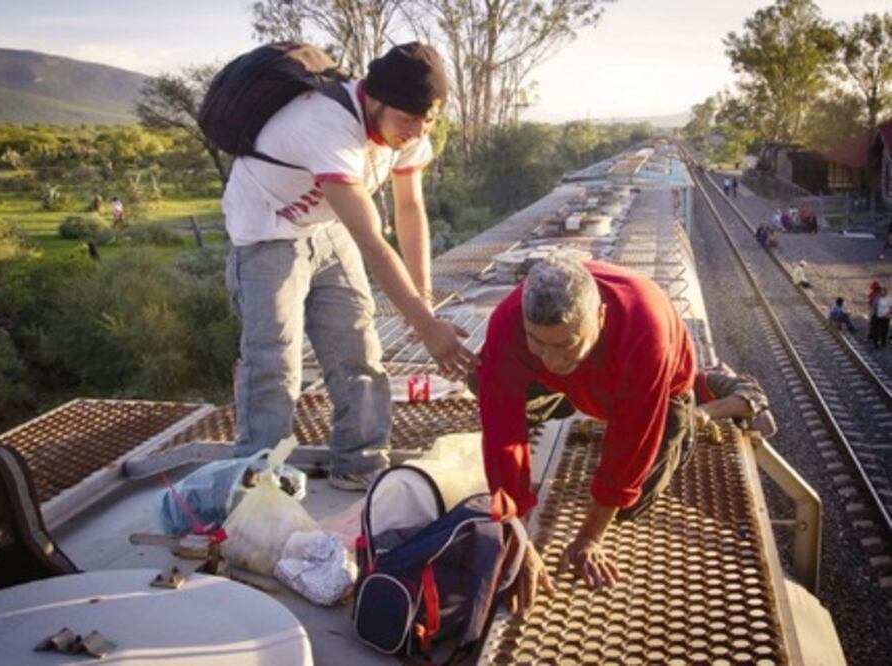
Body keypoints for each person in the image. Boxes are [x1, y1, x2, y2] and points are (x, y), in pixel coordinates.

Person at [221, 42, 474, 491]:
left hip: (326, 228)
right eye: (408, 119)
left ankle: (360, 464)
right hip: (266, 231)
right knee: (274, 360)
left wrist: (424, 305)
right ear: (373, 98)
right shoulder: (324, 122)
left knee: (358, 344)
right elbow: (374, 242)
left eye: (428, 120)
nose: (417, 131)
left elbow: (410, 210)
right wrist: (427, 326)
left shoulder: (409, 128)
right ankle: (259, 483)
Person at [475, 255, 695, 598]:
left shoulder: (644, 327)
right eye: (538, 342)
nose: (550, 358)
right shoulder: (508, 321)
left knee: (629, 504)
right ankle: (573, 394)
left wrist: (590, 537)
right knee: (485, 377)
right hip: (576, 384)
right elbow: (502, 432)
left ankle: (700, 401)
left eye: (565, 343)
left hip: (654, 389)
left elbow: (632, 442)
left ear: (600, 316)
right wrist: (517, 535)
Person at [694, 363, 776, 444]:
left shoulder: (710, 380)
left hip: (707, 382)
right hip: (701, 388)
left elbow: (755, 396)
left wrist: (706, 412)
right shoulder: (747, 406)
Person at [867, 281, 883, 345]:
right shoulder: (880, 293)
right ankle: (874, 336)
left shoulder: (874, 294)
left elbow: (870, 302)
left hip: (877, 313)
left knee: (874, 324)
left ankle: (873, 336)